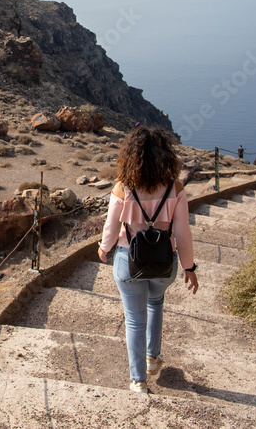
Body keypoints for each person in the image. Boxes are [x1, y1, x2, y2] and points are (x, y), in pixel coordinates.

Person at [98, 126, 198, 394]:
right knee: (156, 302)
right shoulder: (176, 188)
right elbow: (183, 234)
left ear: (131, 156)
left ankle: (138, 381)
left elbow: (110, 228)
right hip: (165, 263)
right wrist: (189, 267)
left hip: (129, 261)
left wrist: (103, 249)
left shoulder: (123, 187)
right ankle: (153, 358)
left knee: (134, 319)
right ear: (166, 155)